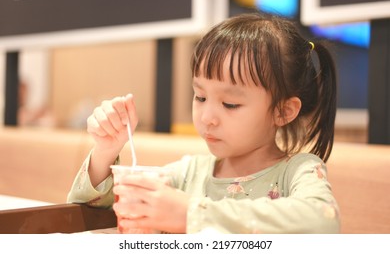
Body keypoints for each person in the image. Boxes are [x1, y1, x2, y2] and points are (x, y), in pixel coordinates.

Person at [67, 12, 340, 234]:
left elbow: (323, 222)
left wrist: (192, 214)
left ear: (283, 111)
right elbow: (88, 216)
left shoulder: (297, 172)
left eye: (230, 104)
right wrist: (105, 151)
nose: (207, 117)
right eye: (199, 96)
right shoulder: (189, 173)